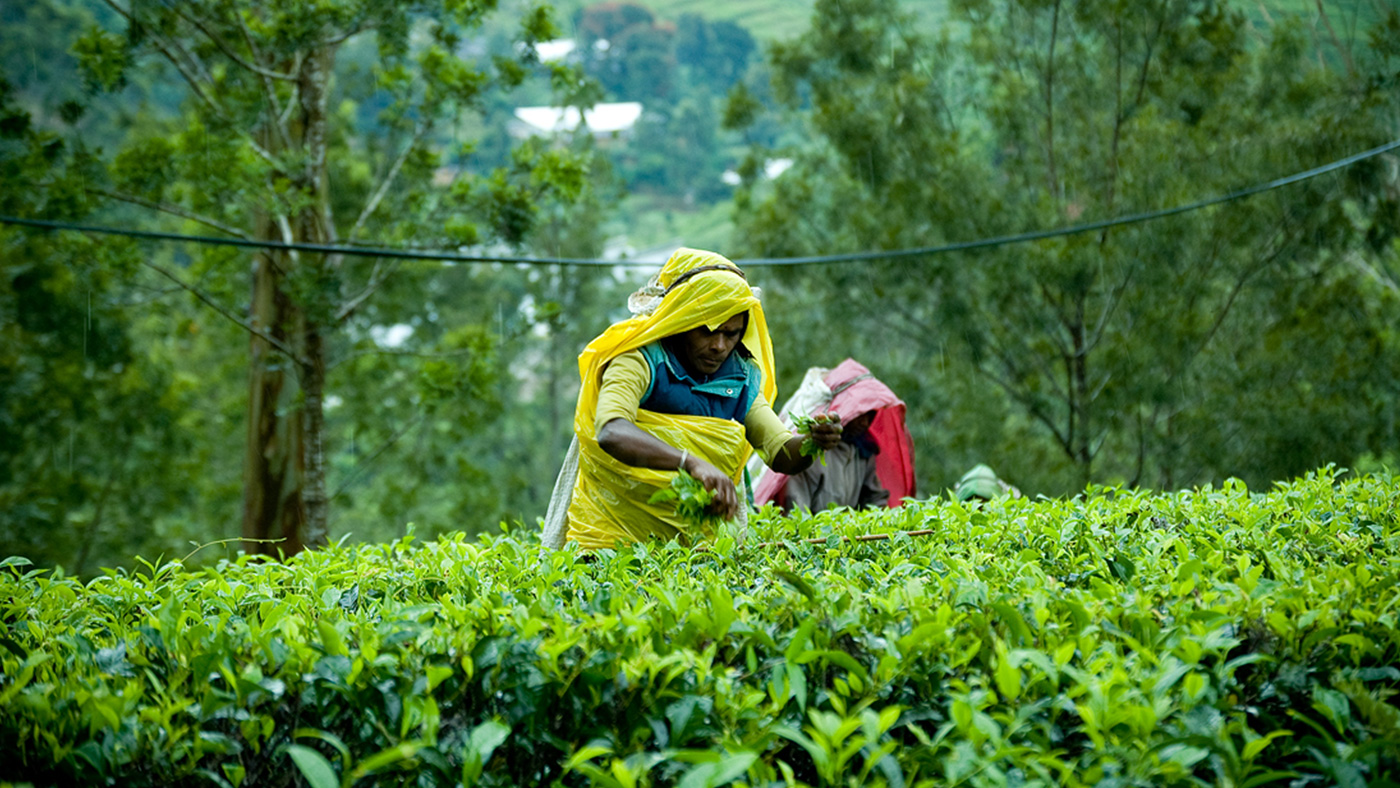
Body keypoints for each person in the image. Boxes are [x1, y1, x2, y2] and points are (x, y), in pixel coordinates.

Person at [541, 248, 842, 550]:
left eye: (732, 333)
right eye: (708, 332)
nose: (720, 346)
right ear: (680, 320)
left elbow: (781, 455)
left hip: (699, 549)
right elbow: (611, 430)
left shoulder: (739, 377)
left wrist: (812, 439)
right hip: (611, 543)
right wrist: (690, 463)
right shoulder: (638, 360)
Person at [751, 359, 916, 513]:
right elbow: (796, 509)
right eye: (860, 414)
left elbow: (874, 498)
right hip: (814, 536)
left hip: (843, 538)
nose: (865, 423)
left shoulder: (863, 451)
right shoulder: (809, 449)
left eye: (870, 414)